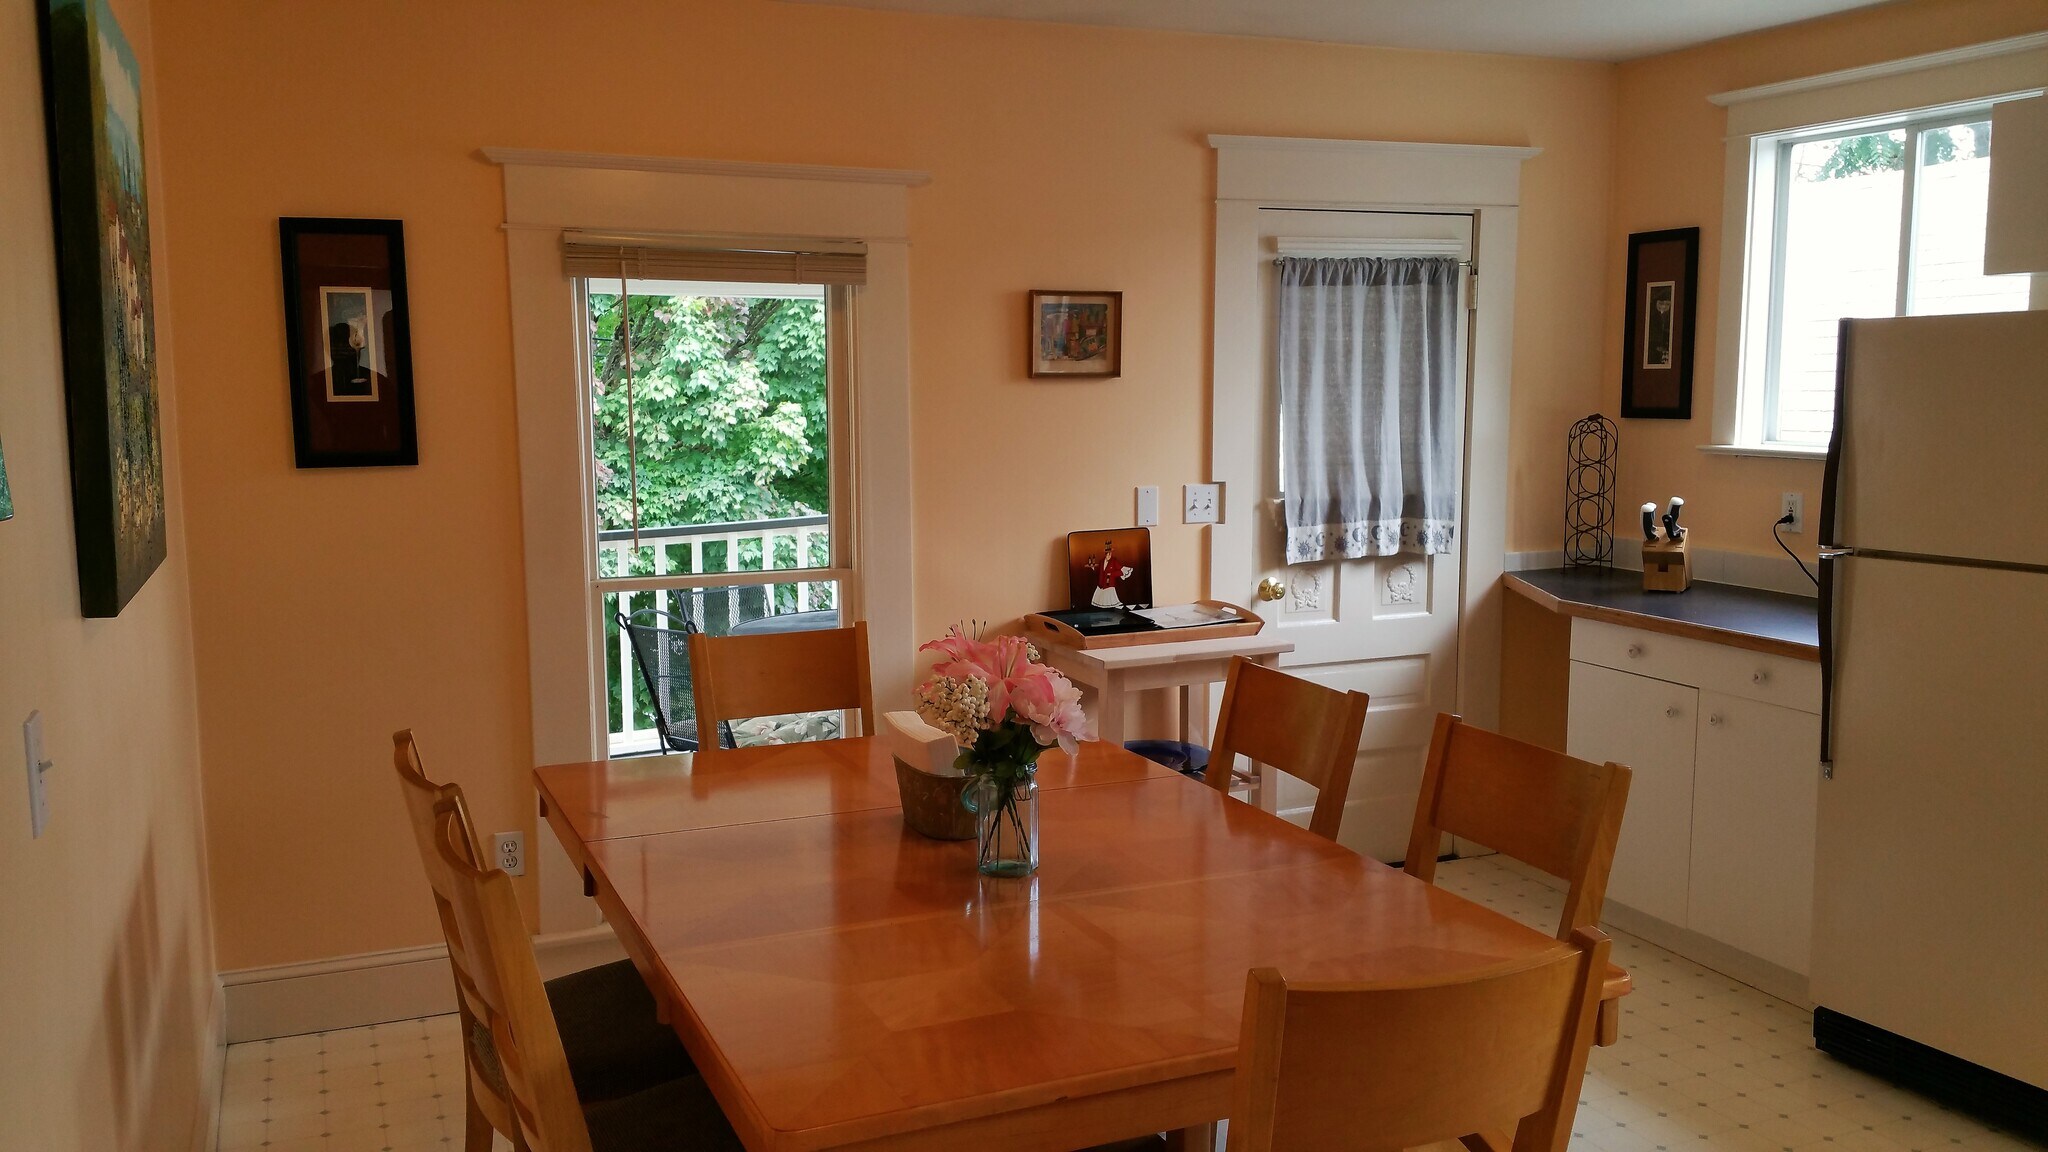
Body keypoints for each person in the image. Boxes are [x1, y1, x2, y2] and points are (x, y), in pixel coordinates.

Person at [1083, 540, 1135, 608]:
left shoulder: (1114, 561)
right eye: (1107, 554)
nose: (1108, 556)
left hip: (1109, 583)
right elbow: (1099, 571)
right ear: (1105, 554)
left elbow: (1121, 570)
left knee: (1110, 598)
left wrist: (1112, 574)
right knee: (1100, 597)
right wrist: (1093, 568)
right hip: (1101, 582)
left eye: (1110, 554)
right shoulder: (1101, 561)